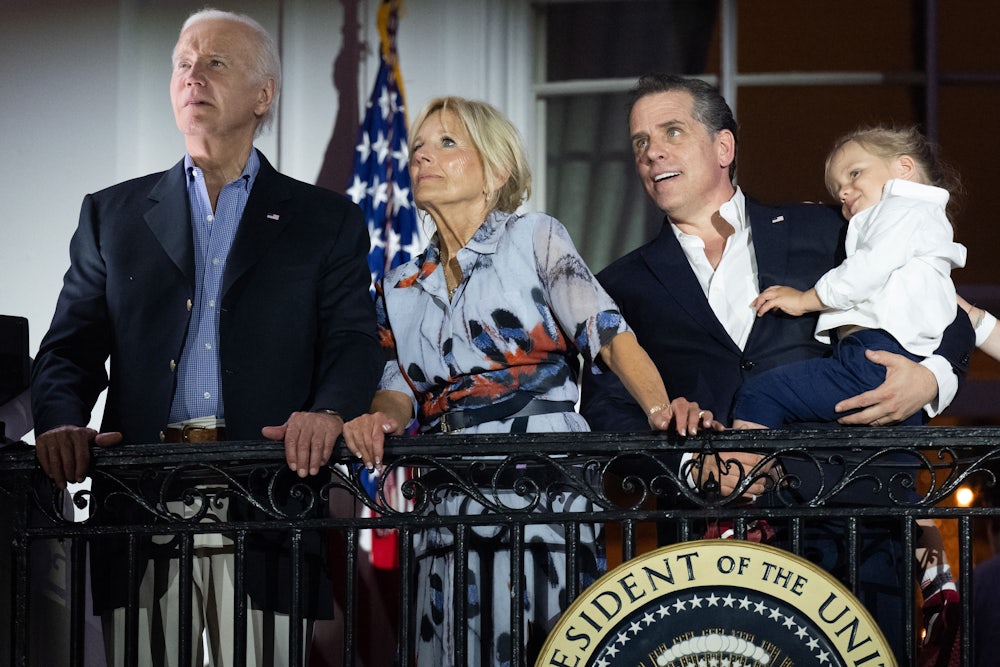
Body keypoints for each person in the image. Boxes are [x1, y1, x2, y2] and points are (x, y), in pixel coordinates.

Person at [579, 73, 975, 663]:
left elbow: (945, 305)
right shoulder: (618, 284)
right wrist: (684, 462)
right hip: (706, 555)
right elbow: (604, 405)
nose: (652, 151)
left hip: (854, 527)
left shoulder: (827, 230)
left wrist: (934, 376)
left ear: (723, 148)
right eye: (640, 142)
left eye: (671, 132)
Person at [29, 8, 382, 667]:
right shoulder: (110, 214)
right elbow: (68, 347)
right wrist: (59, 421)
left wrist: (330, 411)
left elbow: (354, 342)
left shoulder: (325, 219)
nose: (193, 74)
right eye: (183, 63)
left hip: (269, 498)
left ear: (263, 95)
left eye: (216, 62)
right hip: (140, 498)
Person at [341, 96, 713, 666]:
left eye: (446, 144)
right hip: (445, 497)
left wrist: (661, 409)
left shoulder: (533, 238)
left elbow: (608, 334)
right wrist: (380, 418)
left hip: (542, 486)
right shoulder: (398, 283)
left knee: (545, 648)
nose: (423, 156)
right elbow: (397, 387)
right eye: (418, 147)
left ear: (496, 171)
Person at [728, 125, 967, 666]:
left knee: (762, 394)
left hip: (871, 361)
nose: (843, 194)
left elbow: (959, 318)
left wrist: (807, 299)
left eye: (855, 174)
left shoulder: (901, 213)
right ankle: (929, 590)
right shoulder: (889, 223)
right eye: (837, 186)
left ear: (904, 169)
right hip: (836, 456)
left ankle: (740, 501)